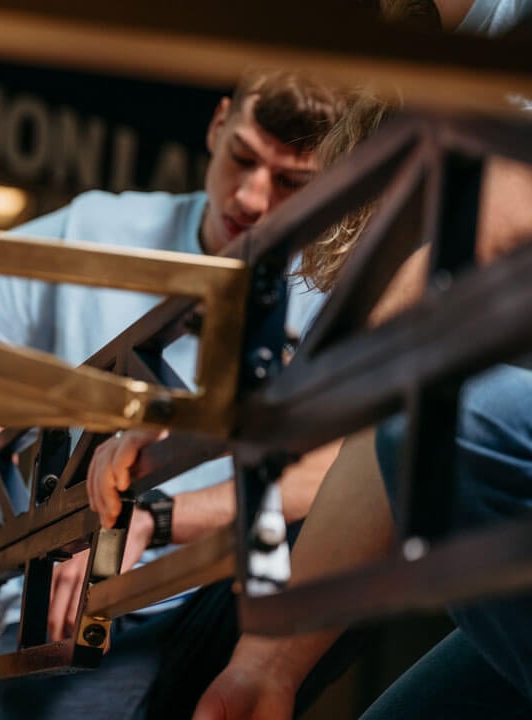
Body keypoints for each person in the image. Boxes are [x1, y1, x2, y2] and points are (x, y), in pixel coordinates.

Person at [0, 69, 351, 719]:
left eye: (290, 183)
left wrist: (157, 520)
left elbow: (354, 467)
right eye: (242, 158)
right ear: (218, 124)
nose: (249, 197)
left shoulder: (339, 287)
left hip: (226, 595)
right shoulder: (100, 230)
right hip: (69, 606)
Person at [187, 3, 532, 717]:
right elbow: (391, 417)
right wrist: (265, 667)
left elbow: (463, 260)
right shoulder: (440, 54)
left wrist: (202, 425)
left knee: (462, 416)